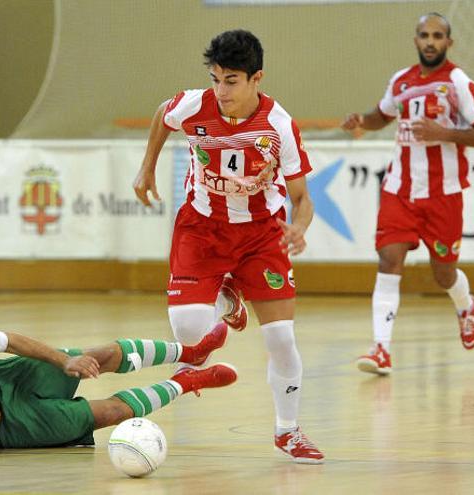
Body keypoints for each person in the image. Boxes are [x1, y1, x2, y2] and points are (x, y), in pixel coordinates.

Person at [132, 29, 323, 464]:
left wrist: (301, 226)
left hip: (260, 234)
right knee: (188, 331)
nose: (220, 91)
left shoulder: (278, 125)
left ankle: (287, 431)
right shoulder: (194, 106)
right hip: (202, 228)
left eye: (231, 80)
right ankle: (226, 296)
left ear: (257, 78)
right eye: (215, 78)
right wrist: (147, 168)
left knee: (280, 337)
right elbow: (164, 113)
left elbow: (301, 198)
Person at [340, 12, 474, 375]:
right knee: (388, 260)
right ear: (416, 40)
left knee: (443, 274)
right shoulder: (401, 81)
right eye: (424, 35)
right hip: (399, 190)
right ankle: (380, 349)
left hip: (444, 194)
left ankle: (465, 305)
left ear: (448, 42)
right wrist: (362, 121)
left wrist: (445, 134)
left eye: (437, 35)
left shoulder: (458, 82)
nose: (430, 41)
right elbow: (382, 115)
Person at [0, 320, 235, 455]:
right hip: (6, 428)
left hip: (5, 379)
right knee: (108, 414)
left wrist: (63, 360)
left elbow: (11, 340)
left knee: (93, 356)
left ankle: (193, 351)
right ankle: (185, 382)